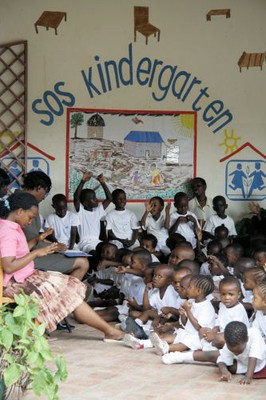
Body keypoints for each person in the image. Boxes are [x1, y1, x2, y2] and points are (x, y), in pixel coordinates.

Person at [0, 191, 123, 340]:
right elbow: (9, 266)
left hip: (23, 277)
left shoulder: (11, 226)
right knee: (67, 293)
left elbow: (16, 252)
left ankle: (106, 329)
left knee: (68, 288)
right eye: (30, 217)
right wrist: (36, 253)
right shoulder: (8, 231)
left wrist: (37, 239)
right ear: (19, 211)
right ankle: (107, 330)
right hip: (16, 283)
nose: (31, 221)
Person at [22, 171, 88, 280]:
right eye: (45, 193)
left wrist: (54, 245)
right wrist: (54, 247)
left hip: (32, 251)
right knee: (83, 263)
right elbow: (32, 242)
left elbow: (37, 237)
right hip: (27, 257)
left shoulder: (22, 201)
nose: (44, 198)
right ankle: (65, 296)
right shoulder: (26, 205)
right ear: (39, 188)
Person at [150, 275, 216, 359]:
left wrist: (188, 311)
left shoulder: (207, 307)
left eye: (190, 287)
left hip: (198, 337)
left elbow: (199, 328)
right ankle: (144, 343)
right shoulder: (191, 301)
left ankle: (166, 348)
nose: (187, 289)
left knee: (183, 345)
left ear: (198, 291)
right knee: (164, 337)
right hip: (186, 333)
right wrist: (182, 315)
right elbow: (185, 324)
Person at [200, 277, 250, 349]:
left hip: (235, 337)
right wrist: (215, 329)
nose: (226, 297)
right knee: (203, 330)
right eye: (223, 294)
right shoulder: (222, 305)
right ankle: (208, 346)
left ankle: (209, 346)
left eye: (231, 294)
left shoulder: (239, 310)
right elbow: (219, 322)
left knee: (219, 339)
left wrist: (215, 335)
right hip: (222, 333)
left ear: (238, 295)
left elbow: (235, 332)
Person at [74, 171, 112, 254]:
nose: (97, 200)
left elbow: (109, 199)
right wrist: (82, 181)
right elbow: (76, 197)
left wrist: (103, 183)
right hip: (85, 243)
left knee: (110, 249)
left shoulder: (98, 211)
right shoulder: (81, 211)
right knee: (94, 252)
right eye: (93, 198)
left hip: (97, 242)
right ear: (85, 202)